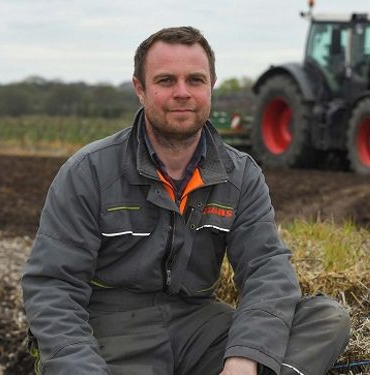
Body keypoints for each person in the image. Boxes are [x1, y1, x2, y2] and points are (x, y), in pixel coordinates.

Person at [22, 26, 350, 375]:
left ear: (211, 86)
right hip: (113, 329)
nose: (182, 93)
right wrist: (79, 365)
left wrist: (245, 356)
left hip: (197, 323)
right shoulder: (89, 171)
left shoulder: (240, 175)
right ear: (140, 89)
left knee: (325, 318)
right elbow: (52, 285)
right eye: (166, 81)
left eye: (195, 80)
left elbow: (267, 269)